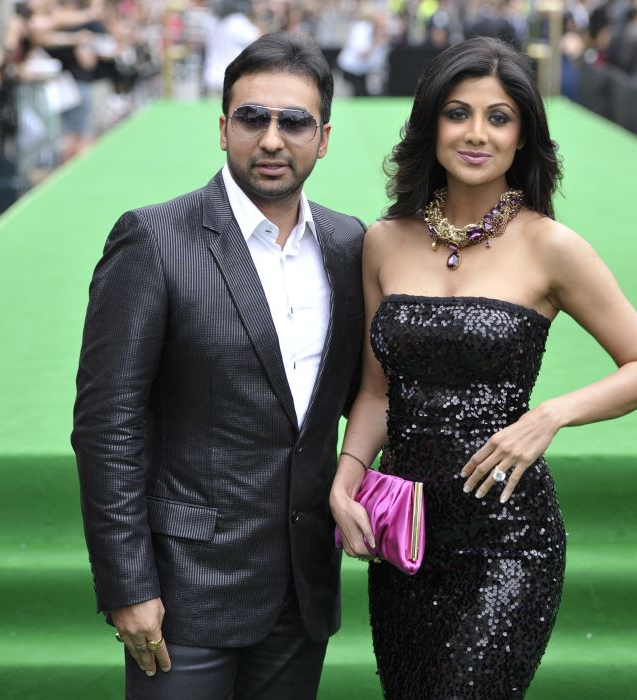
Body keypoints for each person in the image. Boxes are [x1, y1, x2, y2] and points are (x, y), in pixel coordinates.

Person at [329, 37, 637, 699]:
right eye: (458, 113)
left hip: (510, 537)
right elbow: (375, 392)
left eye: (500, 117)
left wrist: (549, 416)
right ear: (431, 125)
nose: (477, 134)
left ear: (523, 136)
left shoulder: (551, 247)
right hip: (409, 534)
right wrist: (347, 479)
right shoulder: (384, 241)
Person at [71, 31, 366, 699]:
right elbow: (106, 424)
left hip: (301, 589)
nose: (272, 139)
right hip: (185, 592)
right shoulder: (153, 240)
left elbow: (356, 396)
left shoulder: (349, 243)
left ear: (323, 138)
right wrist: (127, 584)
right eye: (252, 118)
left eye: (295, 122)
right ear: (223, 127)